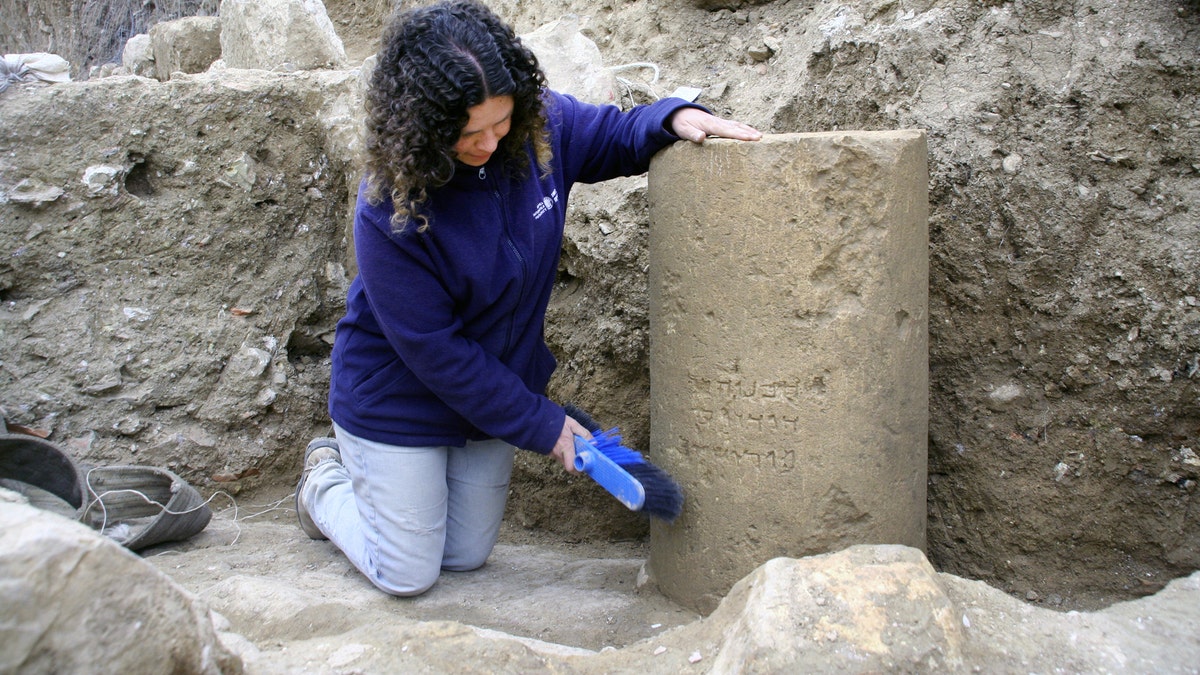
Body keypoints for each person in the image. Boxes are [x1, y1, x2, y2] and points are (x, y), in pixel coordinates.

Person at [295, 0, 761, 597]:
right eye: (467, 134)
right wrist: (542, 424)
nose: (490, 142)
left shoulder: (537, 130)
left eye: (502, 121)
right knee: (408, 572)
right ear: (424, 128)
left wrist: (672, 118)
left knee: (463, 557)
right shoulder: (389, 208)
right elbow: (437, 353)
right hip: (398, 397)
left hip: (491, 395)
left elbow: (614, 134)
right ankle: (323, 482)